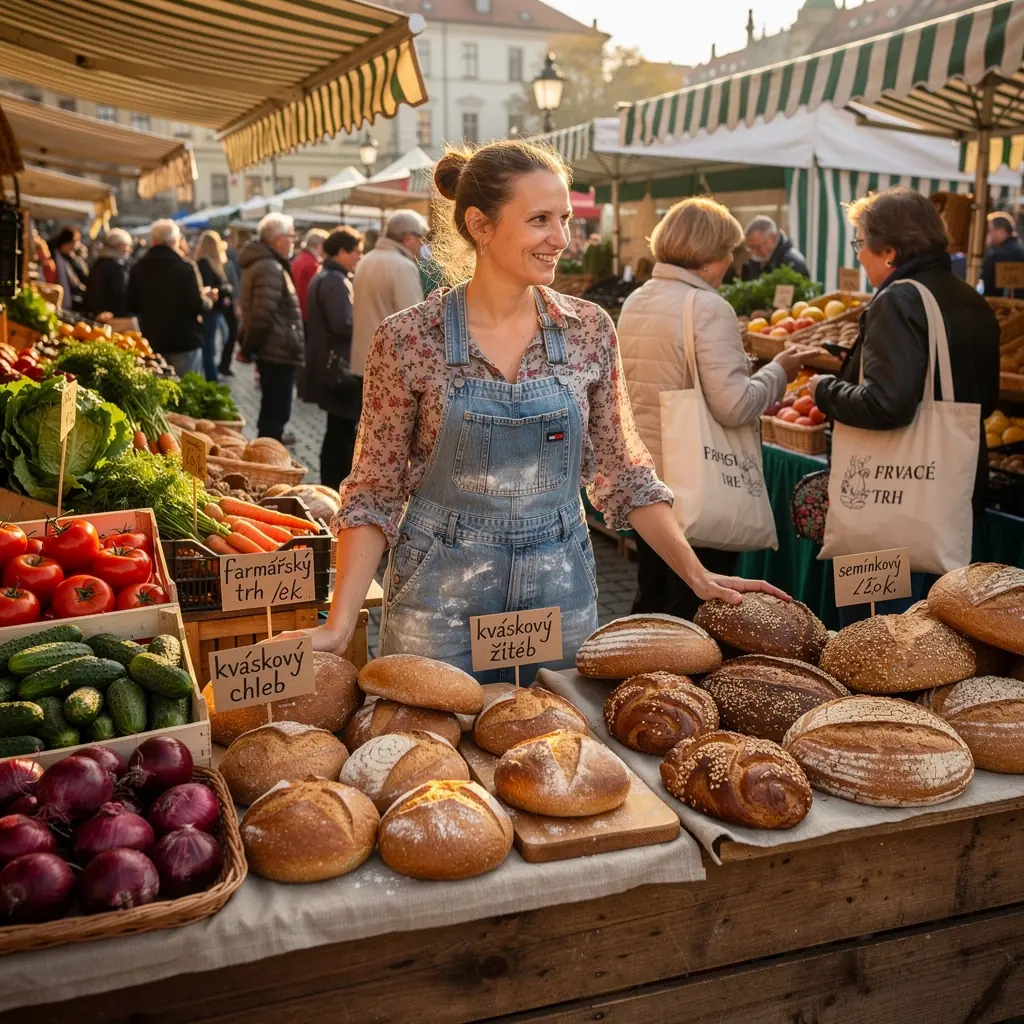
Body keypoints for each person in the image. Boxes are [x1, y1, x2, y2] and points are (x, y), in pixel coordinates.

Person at [274, 138, 785, 679]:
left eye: (564, 219)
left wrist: (696, 574)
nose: (561, 239)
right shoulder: (407, 340)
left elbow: (625, 471)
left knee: (552, 748)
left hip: (557, 596)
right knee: (437, 750)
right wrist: (339, 622)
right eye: (541, 219)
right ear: (480, 225)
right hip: (439, 604)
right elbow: (374, 491)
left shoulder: (589, 330)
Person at [808, 187, 1000, 622]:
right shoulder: (970, 298)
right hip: (950, 501)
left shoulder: (897, 300)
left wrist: (824, 389)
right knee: (935, 642)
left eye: (861, 244)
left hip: (887, 512)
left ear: (890, 250)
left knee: (876, 638)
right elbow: (982, 401)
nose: (859, 256)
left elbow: (886, 405)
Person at [618, 197, 811, 621]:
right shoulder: (708, 307)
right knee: (699, 610)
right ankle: (683, 684)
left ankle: (639, 676)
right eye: (727, 252)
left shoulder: (637, 299)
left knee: (652, 596)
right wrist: (779, 370)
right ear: (708, 255)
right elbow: (735, 406)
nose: (729, 262)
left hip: (647, 485)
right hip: (698, 483)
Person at [304, 227, 365, 489]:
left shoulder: (325, 275)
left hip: (327, 364)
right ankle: (333, 483)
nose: (359, 258)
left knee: (335, 429)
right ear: (341, 252)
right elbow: (343, 324)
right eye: (356, 252)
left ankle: (330, 481)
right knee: (340, 432)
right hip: (337, 367)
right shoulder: (335, 280)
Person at [238, 212, 305, 441]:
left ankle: (270, 442)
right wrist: (248, 348)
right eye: (292, 236)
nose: (294, 240)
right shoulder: (269, 266)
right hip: (276, 350)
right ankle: (269, 448)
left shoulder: (267, 263)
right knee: (275, 408)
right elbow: (261, 315)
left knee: (274, 406)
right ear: (278, 239)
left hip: (274, 348)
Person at [126, 219, 212, 378]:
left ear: (153, 241)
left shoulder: (138, 268)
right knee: (187, 392)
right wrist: (208, 299)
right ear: (175, 241)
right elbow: (196, 305)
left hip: (153, 340)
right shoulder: (186, 267)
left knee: (159, 394)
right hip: (184, 341)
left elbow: (132, 305)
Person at [350, 209, 427, 380]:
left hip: (364, 360)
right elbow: (414, 323)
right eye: (420, 239)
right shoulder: (402, 266)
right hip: (391, 365)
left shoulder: (366, 260)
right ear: (407, 238)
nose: (422, 246)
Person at [194, 231, 232, 382]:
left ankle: (211, 376)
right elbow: (210, 288)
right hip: (210, 309)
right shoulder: (205, 263)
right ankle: (211, 378)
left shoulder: (210, 262)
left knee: (212, 344)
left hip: (214, 310)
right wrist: (225, 290)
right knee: (209, 346)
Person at [83, 228, 132, 320]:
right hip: (110, 316)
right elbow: (121, 293)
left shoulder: (99, 263)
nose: (129, 249)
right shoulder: (116, 267)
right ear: (118, 246)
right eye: (126, 245)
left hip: (95, 314)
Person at [741, 215, 810, 281]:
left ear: (773, 239)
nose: (753, 252)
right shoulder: (754, 261)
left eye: (757, 247)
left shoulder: (792, 263)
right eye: (749, 247)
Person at [981, 211, 1024, 299]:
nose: (988, 235)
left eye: (990, 231)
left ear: (1001, 231)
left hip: (1004, 308)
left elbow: (990, 292)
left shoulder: (997, 255)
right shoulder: (1021, 250)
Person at [291, 228, 328, 320]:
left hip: (297, 312)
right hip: (307, 315)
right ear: (320, 246)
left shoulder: (298, 259)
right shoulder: (312, 264)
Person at [49, 227, 86, 311]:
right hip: (59, 298)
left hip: (70, 298)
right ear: (67, 242)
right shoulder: (54, 257)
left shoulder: (70, 257)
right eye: (74, 242)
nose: (76, 245)